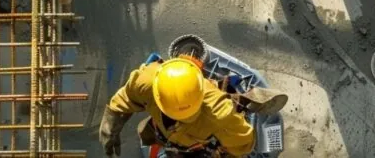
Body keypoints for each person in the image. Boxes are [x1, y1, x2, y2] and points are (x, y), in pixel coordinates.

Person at [99, 56, 286, 157]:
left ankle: (245, 100)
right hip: (171, 136)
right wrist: (110, 125)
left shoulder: (219, 113)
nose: (186, 118)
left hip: (198, 141)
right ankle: (247, 99)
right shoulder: (146, 82)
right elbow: (125, 97)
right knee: (147, 133)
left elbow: (244, 144)